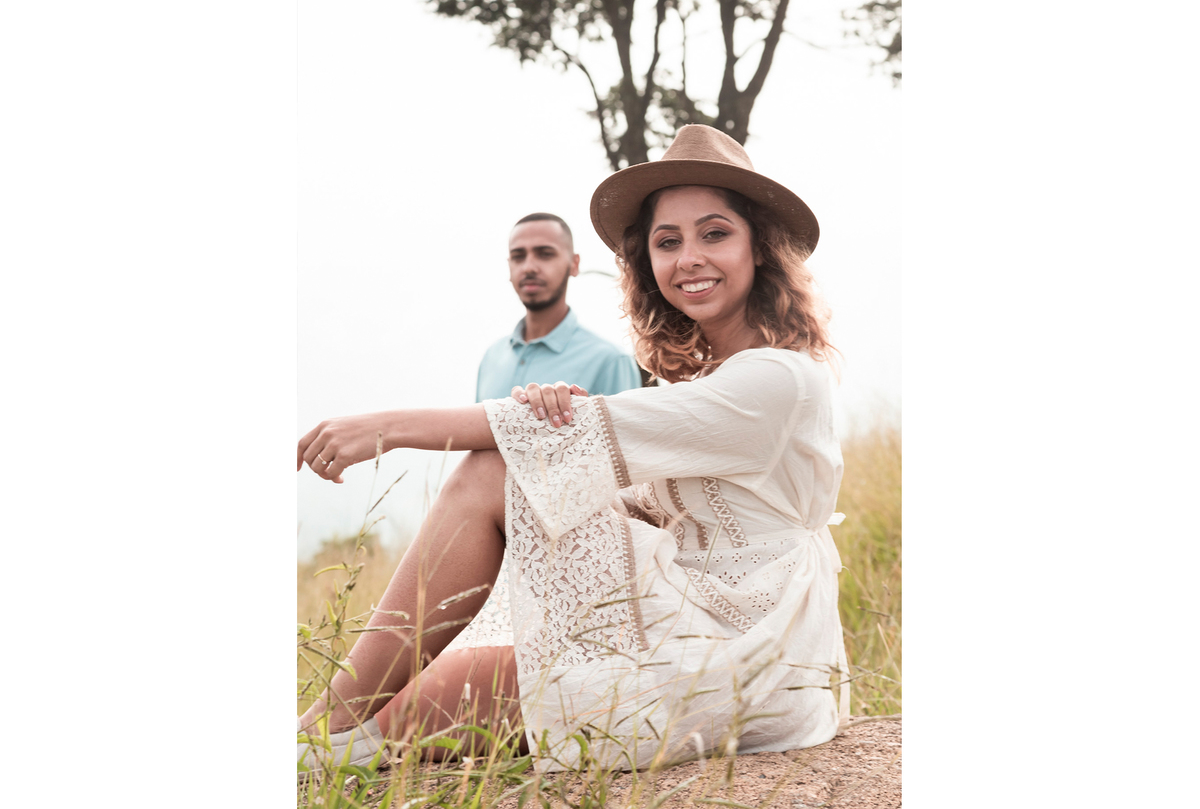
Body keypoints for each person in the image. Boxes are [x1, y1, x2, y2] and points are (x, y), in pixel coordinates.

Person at [297, 125, 848, 774]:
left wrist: (382, 429)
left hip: (741, 647)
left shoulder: (777, 377)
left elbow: (531, 453)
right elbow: (632, 502)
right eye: (667, 242)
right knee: (422, 700)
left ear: (761, 247)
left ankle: (317, 733)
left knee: (493, 470)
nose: (688, 257)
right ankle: (319, 745)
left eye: (715, 233)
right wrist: (561, 419)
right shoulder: (720, 380)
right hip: (704, 624)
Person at [476, 212, 642, 402]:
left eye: (545, 254)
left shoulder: (611, 361)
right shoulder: (492, 357)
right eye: (518, 256)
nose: (529, 267)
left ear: (574, 264)